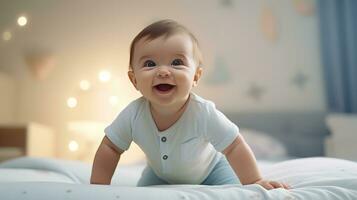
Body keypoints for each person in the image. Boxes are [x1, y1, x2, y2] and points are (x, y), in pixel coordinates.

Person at [90, 19, 290, 190]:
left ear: (195, 76)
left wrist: (255, 181)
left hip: (212, 171)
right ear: (134, 80)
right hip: (159, 174)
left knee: (236, 193)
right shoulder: (133, 114)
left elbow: (235, 146)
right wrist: (98, 188)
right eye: (150, 64)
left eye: (177, 62)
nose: (163, 71)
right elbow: (110, 147)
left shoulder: (203, 113)